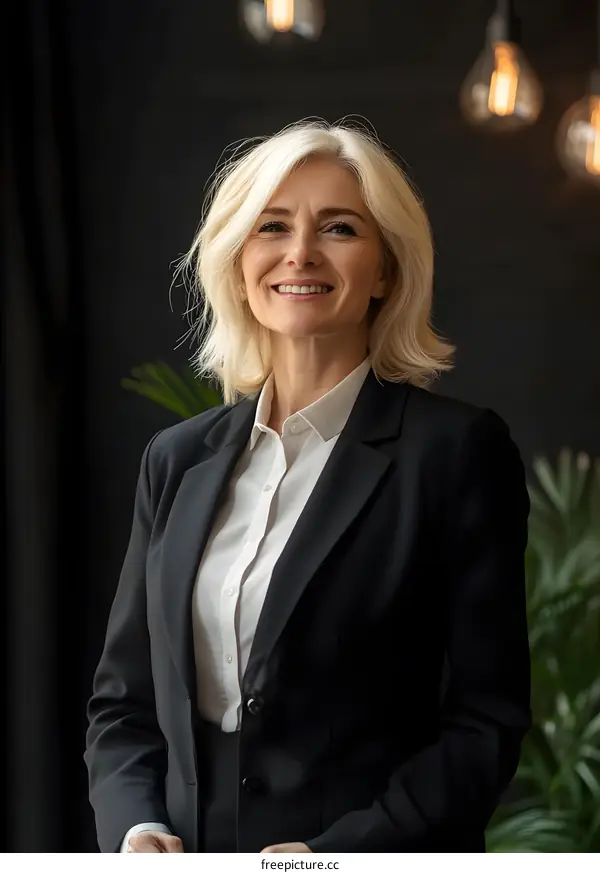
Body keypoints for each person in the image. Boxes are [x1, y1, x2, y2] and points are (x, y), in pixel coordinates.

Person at [84, 119, 532, 853]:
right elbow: (123, 703)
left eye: (340, 228)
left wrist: (342, 855)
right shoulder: (176, 458)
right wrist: (137, 828)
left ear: (386, 269)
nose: (300, 253)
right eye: (272, 226)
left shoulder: (456, 452)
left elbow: (485, 723)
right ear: (237, 265)